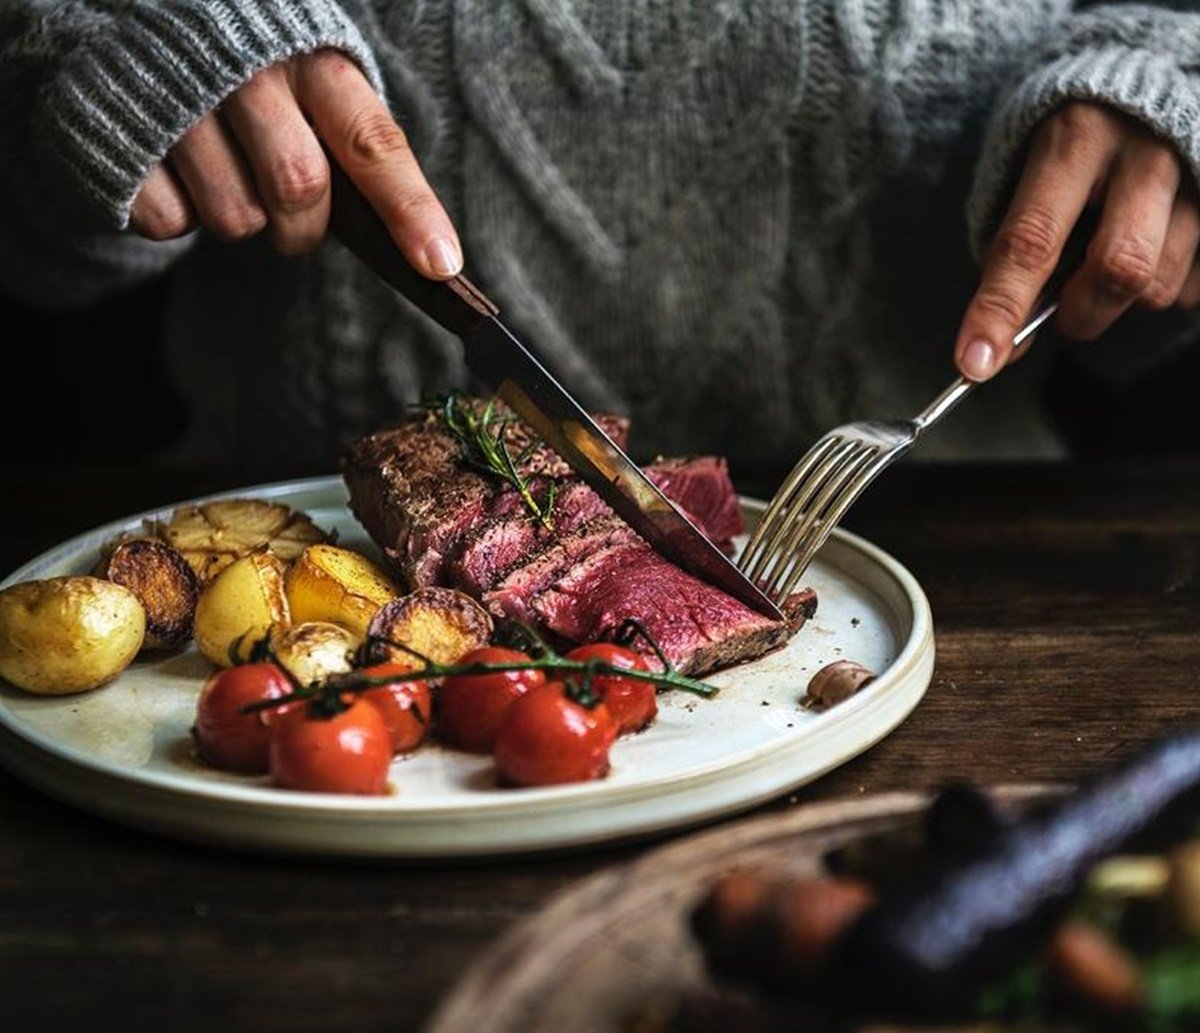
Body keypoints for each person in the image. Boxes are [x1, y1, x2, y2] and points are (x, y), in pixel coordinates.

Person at [1, 1, 1197, 481]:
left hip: (988, 609)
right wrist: (90, 60)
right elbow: (31, 254)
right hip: (312, 643)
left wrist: (1176, 83)